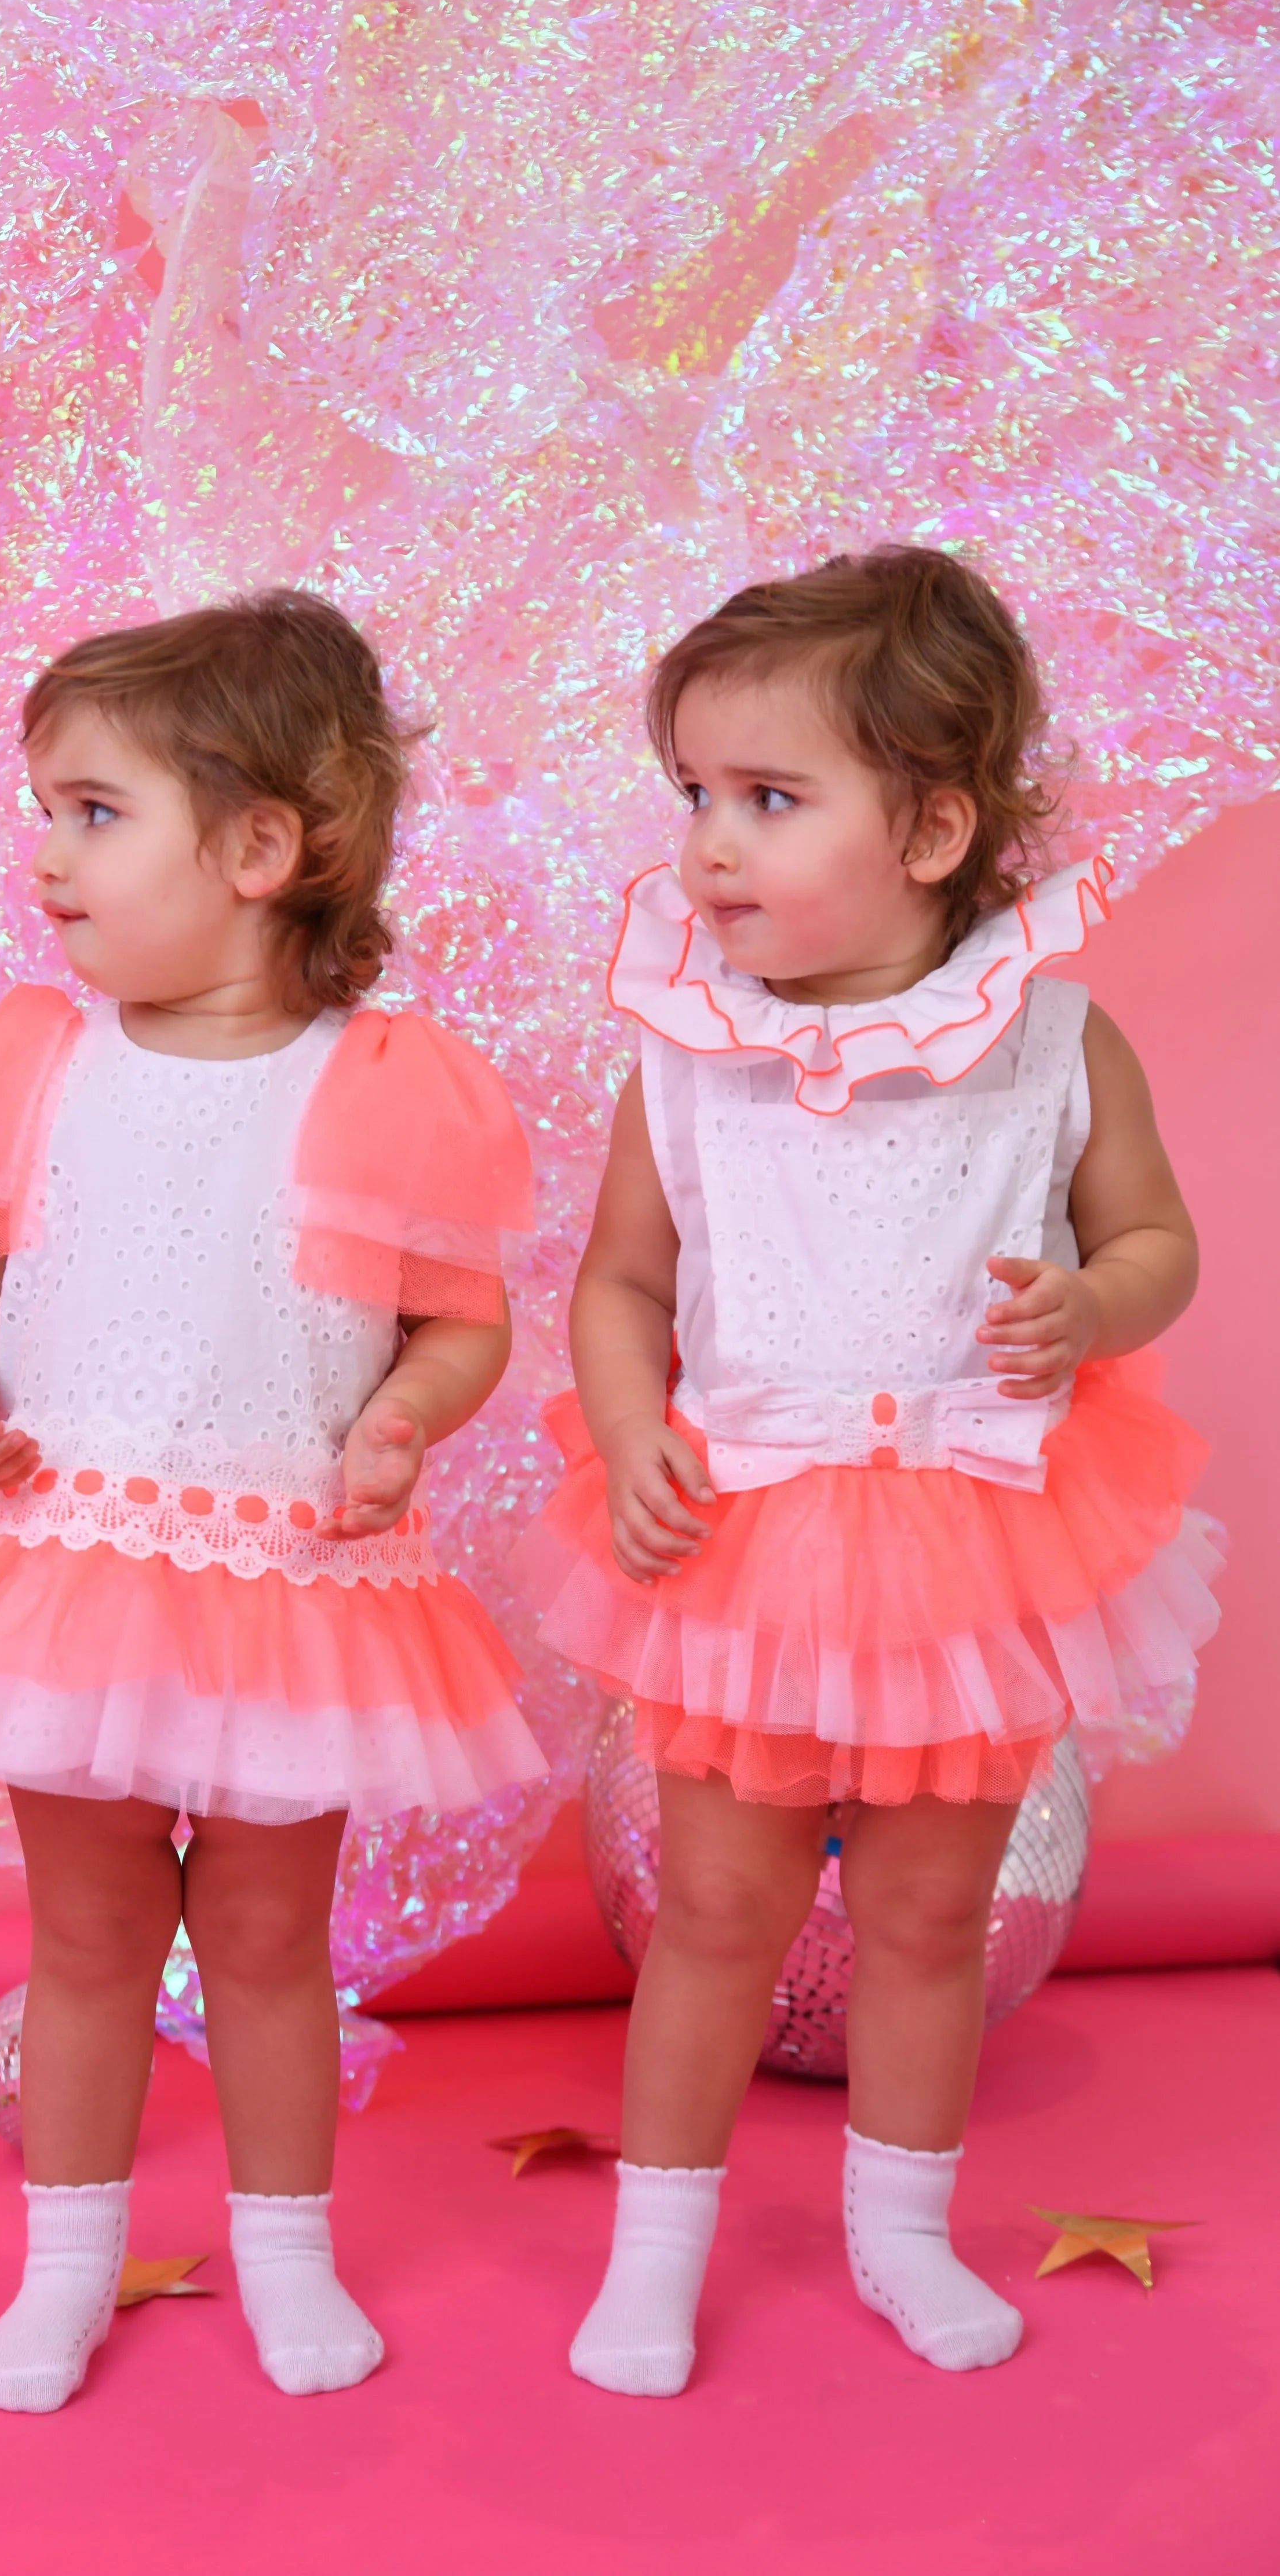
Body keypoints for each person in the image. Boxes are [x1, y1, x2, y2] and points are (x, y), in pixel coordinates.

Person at [0, 589, 545, 2411]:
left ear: (258, 848)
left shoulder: (383, 1082)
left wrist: (404, 1424)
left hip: (290, 1579)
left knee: (270, 1942)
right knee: (83, 1940)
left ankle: (287, 2254)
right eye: (43, 812)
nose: (47, 858)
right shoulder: (39, 1063)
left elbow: (460, 1324)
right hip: (75, 1564)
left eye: (93, 811)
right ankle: (66, 2269)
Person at [521, 545, 1221, 2394]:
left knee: (928, 1914)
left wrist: (1090, 1304)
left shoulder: (1055, 1044)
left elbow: (1160, 1244)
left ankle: (901, 2232)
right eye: (693, 797)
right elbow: (623, 1279)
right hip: (749, 1530)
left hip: (972, 1533)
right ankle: (658, 2248)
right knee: (717, 1911)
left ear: (927, 832)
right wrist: (622, 1428)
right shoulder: (689, 1060)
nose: (710, 848)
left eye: (767, 798)